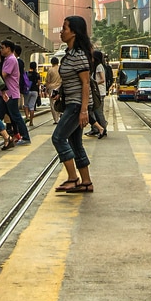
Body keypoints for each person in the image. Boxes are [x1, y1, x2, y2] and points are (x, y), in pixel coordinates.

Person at [50, 16, 96, 192]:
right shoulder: (69, 55)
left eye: (64, 28)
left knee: (58, 138)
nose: (61, 32)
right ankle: (86, 182)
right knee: (75, 142)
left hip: (77, 105)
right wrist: (59, 92)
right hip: (71, 102)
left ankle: (72, 178)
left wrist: (84, 110)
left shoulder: (79, 56)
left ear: (74, 32)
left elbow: (85, 83)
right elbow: (71, 80)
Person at [87, 48, 110, 137]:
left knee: (98, 112)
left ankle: (103, 129)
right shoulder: (95, 67)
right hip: (96, 92)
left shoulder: (99, 66)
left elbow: (102, 79)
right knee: (93, 111)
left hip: (99, 92)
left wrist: (93, 83)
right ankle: (96, 129)